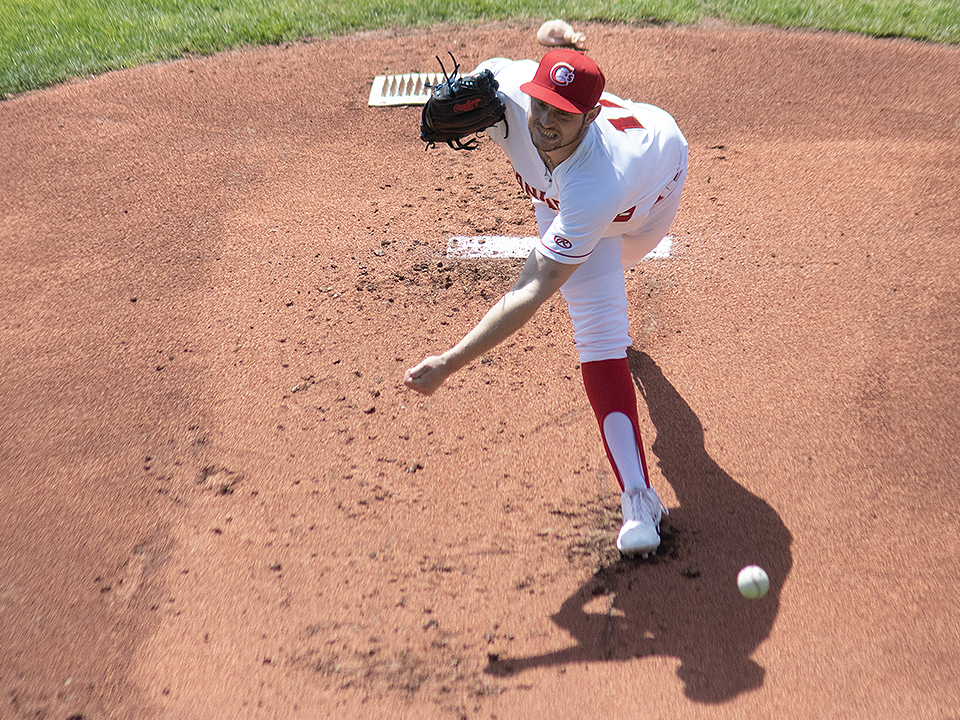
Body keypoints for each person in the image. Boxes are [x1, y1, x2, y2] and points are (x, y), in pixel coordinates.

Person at [404, 49, 688, 558]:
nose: (546, 121)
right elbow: (489, 70)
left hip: (645, 199)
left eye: (563, 112)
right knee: (599, 328)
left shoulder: (600, 183)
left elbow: (532, 288)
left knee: (595, 277)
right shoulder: (509, 91)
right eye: (541, 105)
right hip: (561, 198)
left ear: (591, 115)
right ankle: (639, 500)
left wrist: (450, 362)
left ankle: (640, 492)